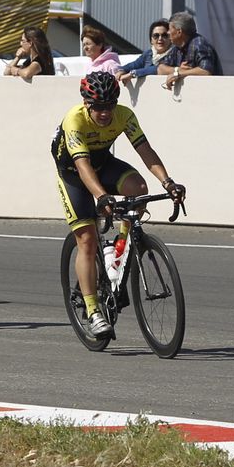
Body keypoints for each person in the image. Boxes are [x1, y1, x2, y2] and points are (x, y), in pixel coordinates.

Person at [52, 71, 186, 342]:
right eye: (98, 107)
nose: (104, 112)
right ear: (87, 103)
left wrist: (168, 182)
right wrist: (102, 197)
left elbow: (145, 151)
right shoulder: (74, 119)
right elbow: (82, 166)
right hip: (74, 173)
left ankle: (119, 250)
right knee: (87, 239)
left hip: (102, 164)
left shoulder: (124, 115)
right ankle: (92, 311)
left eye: (109, 105)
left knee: (139, 190)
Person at [159, 11, 222, 88]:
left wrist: (178, 74)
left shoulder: (199, 44)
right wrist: (178, 69)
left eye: (169, 29)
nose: (168, 32)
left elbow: (205, 71)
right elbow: (160, 69)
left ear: (179, 32)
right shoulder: (177, 48)